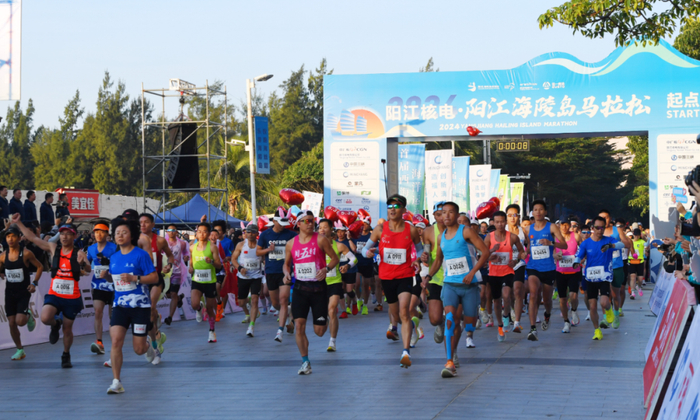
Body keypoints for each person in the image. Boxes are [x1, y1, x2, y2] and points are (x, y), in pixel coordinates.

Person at [11, 213, 90, 367]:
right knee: (45, 317)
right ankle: (55, 323)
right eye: (62, 234)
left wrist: (82, 264)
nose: (64, 237)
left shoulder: (78, 253)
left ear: (74, 236)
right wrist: (18, 223)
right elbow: (33, 238)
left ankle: (66, 354)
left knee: (68, 329)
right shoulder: (54, 248)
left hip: (72, 297)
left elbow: (88, 269)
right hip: (55, 294)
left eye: (68, 234)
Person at [425, 202, 489, 377]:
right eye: (443, 213)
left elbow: (485, 252)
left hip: (468, 286)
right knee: (450, 319)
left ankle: (459, 343)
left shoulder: (466, 231)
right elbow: (438, 261)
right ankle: (449, 361)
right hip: (450, 285)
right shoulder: (441, 237)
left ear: (457, 214)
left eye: (450, 212)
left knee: (467, 322)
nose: (446, 216)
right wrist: (428, 277)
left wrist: (472, 273)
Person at [361, 194, 424, 368]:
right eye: (390, 206)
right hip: (387, 278)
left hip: (405, 275)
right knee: (396, 315)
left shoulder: (411, 230)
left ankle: (406, 352)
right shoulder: (380, 229)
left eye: (396, 206)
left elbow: (419, 250)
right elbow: (365, 249)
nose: (392, 209)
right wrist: (367, 253)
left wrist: (418, 260)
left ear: (403, 210)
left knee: (404, 311)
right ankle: (412, 327)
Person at [102, 217, 158, 394]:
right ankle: (116, 382)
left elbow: (154, 277)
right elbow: (116, 281)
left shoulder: (141, 255)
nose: (120, 235)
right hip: (120, 305)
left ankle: (147, 346)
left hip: (140, 307)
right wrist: (107, 277)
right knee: (116, 341)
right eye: (117, 233)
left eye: (124, 232)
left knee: (138, 350)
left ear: (132, 235)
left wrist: (135, 278)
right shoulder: (114, 257)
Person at [282, 210, 338, 375]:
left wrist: (326, 269)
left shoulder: (321, 239)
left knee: (319, 332)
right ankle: (305, 361)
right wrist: (286, 273)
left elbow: (335, 258)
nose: (310, 223)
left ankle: (324, 318)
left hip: (319, 289)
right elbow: (286, 264)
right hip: (300, 289)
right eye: (306, 221)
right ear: (298, 224)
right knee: (299, 325)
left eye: (312, 220)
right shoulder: (290, 243)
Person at [574, 216, 625, 339]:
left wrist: (611, 246)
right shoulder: (586, 243)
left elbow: (621, 244)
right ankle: (597, 330)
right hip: (590, 277)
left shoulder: (608, 240)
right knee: (592, 306)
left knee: (604, 302)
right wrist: (576, 262)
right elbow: (579, 255)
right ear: (592, 228)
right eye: (597, 228)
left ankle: (609, 310)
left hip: (604, 277)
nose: (600, 230)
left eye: (602, 228)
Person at [523, 200, 567, 341]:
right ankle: (532, 329)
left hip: (548, 268)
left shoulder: (552, 227)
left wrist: (551, 243)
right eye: (535, 209)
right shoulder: (528, 229)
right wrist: (525, 253)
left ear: (545, 212)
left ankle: (547, 314)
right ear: (532, 212)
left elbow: (564, 245)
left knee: (547, 299)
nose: (538, 212)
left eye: (541, 209)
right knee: (533, 294)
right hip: (533, 267)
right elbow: (529, 246)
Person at [0, 225, 43, 360]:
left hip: (23, 292)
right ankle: (20, 349)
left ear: (19, 238)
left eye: (13, 236)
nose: (10, 239)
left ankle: (28, 315)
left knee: (20, 322)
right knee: (11, 323)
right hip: (9, 293)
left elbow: (40, 266)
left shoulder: (26, 253)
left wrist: (34, 283)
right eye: (8, 236)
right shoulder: (3, 256)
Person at [483, 211, 526, 342]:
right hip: (494, 273)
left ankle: (506, 315)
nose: (500, 224)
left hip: (507, 271)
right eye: (497, 222)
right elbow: (482, 256)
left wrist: (516, 261)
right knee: (496, 301)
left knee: (506, 295)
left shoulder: (512, 237)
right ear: (493, 223)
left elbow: (522, 252)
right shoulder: (489, 237)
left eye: (502, 221)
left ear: (505, 222)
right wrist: (491, 253)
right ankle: (500, 326)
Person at [138, 213, 174, 364]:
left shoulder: (160, 241)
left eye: (146, 222)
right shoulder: (134, 241)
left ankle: (154, 346)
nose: (143, 225)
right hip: (140, 281)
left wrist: (169, 265)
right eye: (141, 222)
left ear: (153, 224)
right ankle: (155, 338)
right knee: (147, 314)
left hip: (155, 278)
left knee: (151, 307)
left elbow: (170, 256)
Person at [257, 208, 297, 342]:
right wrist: (268, 249)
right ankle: (288, 314)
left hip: (286, 272)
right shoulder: (265, 235)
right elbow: (258, 252)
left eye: (284, 223)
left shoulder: (291, 234)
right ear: (274, 221)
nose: (282, 226)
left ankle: (280, 331)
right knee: (275, 303)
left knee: (284, 299)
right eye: (280, 223)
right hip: (271, 271)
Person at [318, 218, 356, 351]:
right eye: (320, 227)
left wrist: (347, 266)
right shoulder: (315, 246)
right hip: (319, 284)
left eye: (325, 227)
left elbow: (354, 259)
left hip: (335, 282)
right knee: (323, 317)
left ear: (331, 229)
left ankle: (332, 342)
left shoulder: (339, 246)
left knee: (332, 309)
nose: (322, 230)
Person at [86, 223, 118, 357]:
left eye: (102, 232)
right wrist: (82, 266)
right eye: (96, 232)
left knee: (112, 315)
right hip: (98, 285)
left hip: (113, 284)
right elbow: (87, 266)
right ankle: (99, 342)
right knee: (98, 312)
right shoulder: (91, 249)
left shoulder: (114, 247)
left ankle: (115, 344)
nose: (98, 234)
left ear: (107, 234)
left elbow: (119, 264)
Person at [189, 222, 222, 343]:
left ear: (208, 234)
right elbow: (191, 262)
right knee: (194, 304)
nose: (201, 234)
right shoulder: (192, 247)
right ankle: (199, 308)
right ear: (196, 233)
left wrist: (211, 262)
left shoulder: (212, 247)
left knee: (209, 308)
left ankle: (212, 331)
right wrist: (190, 267)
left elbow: (219, 265)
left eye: (204, 231)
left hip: (210, 281)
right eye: (199, 231)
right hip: (197, 280)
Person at [421, 201, 447, 344]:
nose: (442, 218)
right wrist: (425, 257)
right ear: (434, 216)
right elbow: (427, 254)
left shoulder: (458, 229)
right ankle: (441, 323)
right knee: (434, 319)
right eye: (438, 215)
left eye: (444, 214)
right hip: (436, 278)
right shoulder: (429, 232)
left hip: (455, 278)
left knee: (456, 317)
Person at [232, 223, 264, 337]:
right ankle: (248, 312)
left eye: (252, 232)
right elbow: (233, 259)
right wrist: (240, 268)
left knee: (255, 300)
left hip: (256, 277)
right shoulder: (241, 245)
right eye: (248, 232)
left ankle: (251, 326)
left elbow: (264, 259)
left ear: (257, 234)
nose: (250, 234)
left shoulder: (260, 246)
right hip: (243, 277)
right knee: (241, 302)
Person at [553, 218, 582, 333]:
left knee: (573, 295)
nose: (564, 227)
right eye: (562, 225)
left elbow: (583, 249)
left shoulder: (576, 236)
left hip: (574, 270)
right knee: (562, 299)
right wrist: (555, 256)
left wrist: (580, 258)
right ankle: (566, 322)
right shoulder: (555, 238)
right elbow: (552, 252)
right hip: (560, 271)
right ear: (559, 226)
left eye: (566, 225)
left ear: (569, 226)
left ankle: (574, 310)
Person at [505, 204, 527, 333]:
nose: (512, 218)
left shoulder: (523, 231)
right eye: (509, 215)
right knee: (508, 293)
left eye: (515, 215)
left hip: (519, 264)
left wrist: (523, 254)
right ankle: (510, 310)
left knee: (518, 290)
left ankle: (517, 323)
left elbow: (528, 246)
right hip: (505, 266)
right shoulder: (502, 230)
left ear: (519, 216)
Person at [164, 224, 188, 326]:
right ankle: (179, 298)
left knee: (173, 294)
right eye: (169, 230)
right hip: (166, 272)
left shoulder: (182, 243)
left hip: (177, 272)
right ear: (167, 232)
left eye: (173, 230)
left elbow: (186, 252)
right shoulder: (163, 243)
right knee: (168, 294)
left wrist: (186, 257)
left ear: (177, 232)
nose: (171, 232)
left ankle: (170, 317)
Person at [355, 218, 376, 314]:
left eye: (366, 224)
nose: (364, 226)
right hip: (357, 263)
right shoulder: (356, 236)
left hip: (368, 263)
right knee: (357, 284)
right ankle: (359, 299)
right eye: (362, 224)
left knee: (366, 285)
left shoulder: (371, 237)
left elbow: (377, 247)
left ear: (369, 225)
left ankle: (365, 305)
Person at [628, 228, 646, 300]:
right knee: (633, 277)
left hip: (640, 261)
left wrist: (645, 238)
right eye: (635, 235)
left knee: (640, 279)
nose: (636, 236)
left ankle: (638, 287)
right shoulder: (630, 241)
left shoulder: (642, 241)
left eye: (638, 235)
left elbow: (646, 244)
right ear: (633, 234)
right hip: (631, 261)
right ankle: (632, 292)